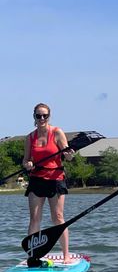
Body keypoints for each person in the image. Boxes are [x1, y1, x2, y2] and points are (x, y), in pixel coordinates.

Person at [23, 103, 74, 263]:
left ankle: (66, 255)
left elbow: (68, 156)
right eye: (39, 116)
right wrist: (28, 164)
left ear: (49, 116)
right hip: (37, 179)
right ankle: (33, 255)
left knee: (57, 217)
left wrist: (69, 154)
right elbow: (26, 160)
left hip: (55, 179)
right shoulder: (30, 137)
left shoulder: (57, 132)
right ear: (34, 117)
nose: (42, 118)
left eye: (45, 115)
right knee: (34, 218)